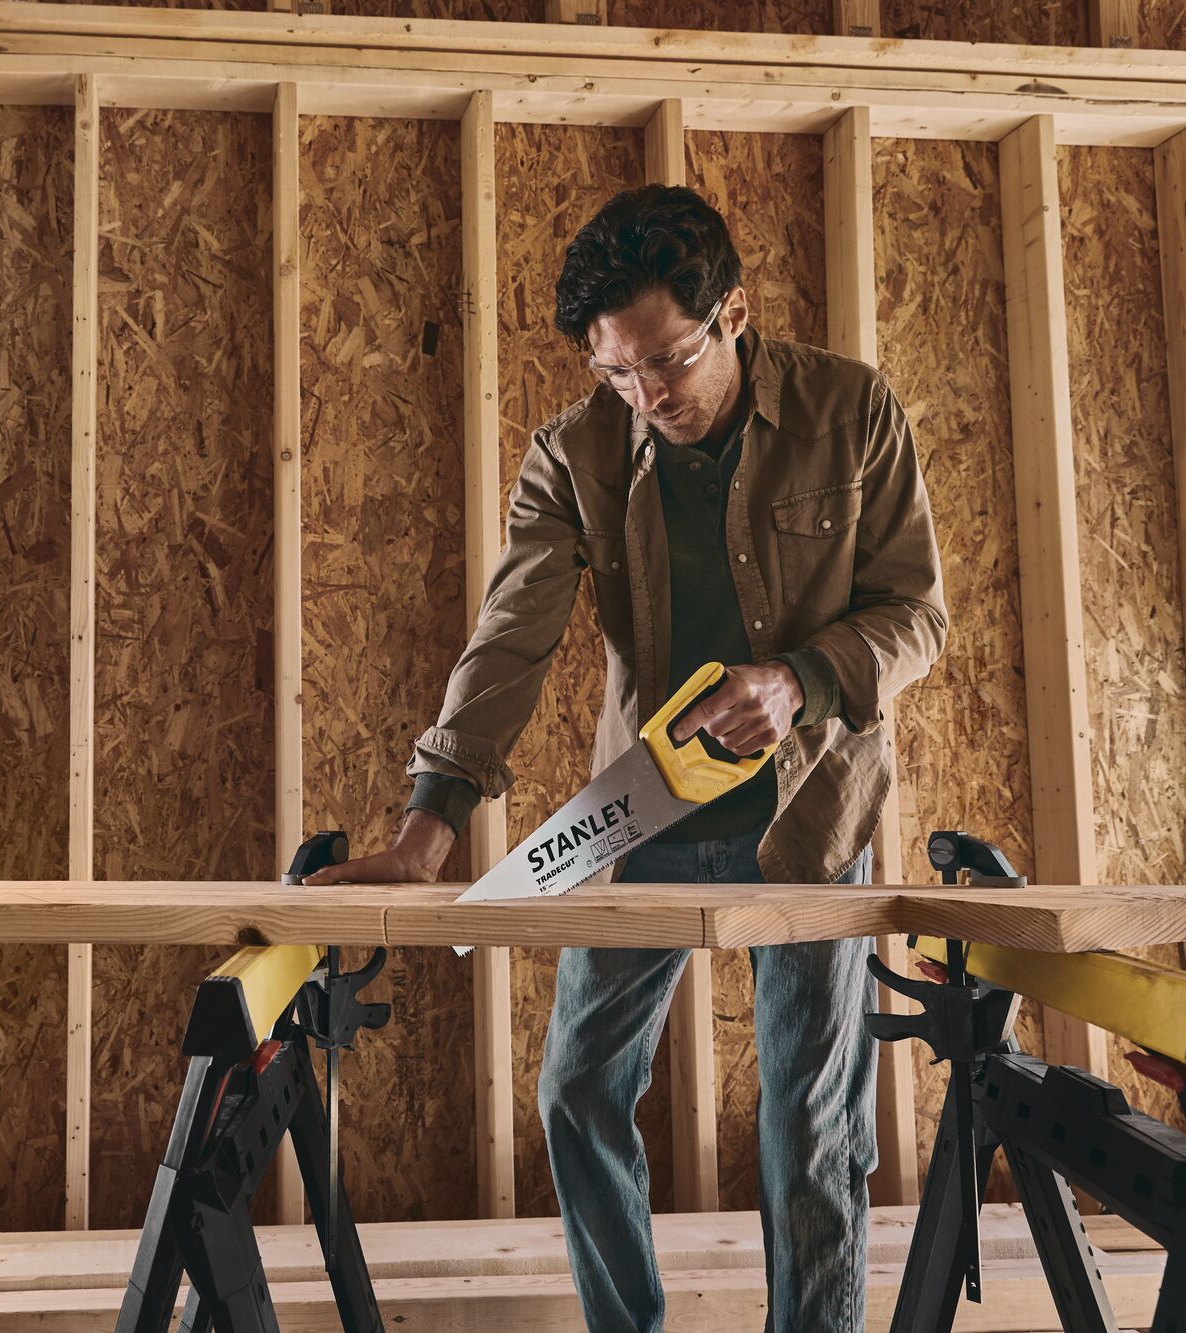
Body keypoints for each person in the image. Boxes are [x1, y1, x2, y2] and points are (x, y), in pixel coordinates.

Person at [307, 183, 948, 1333]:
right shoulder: (574, 454)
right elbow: (510, 636)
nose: (649, 395)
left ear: (733, 313)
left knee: (809, 1127)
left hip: (809, 822)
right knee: (576, 1091)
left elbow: (915, 616)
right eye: (614, 374)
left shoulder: (852, 411)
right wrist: (424, 830)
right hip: (640, 822)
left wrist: (796, 682)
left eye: (668, 359)